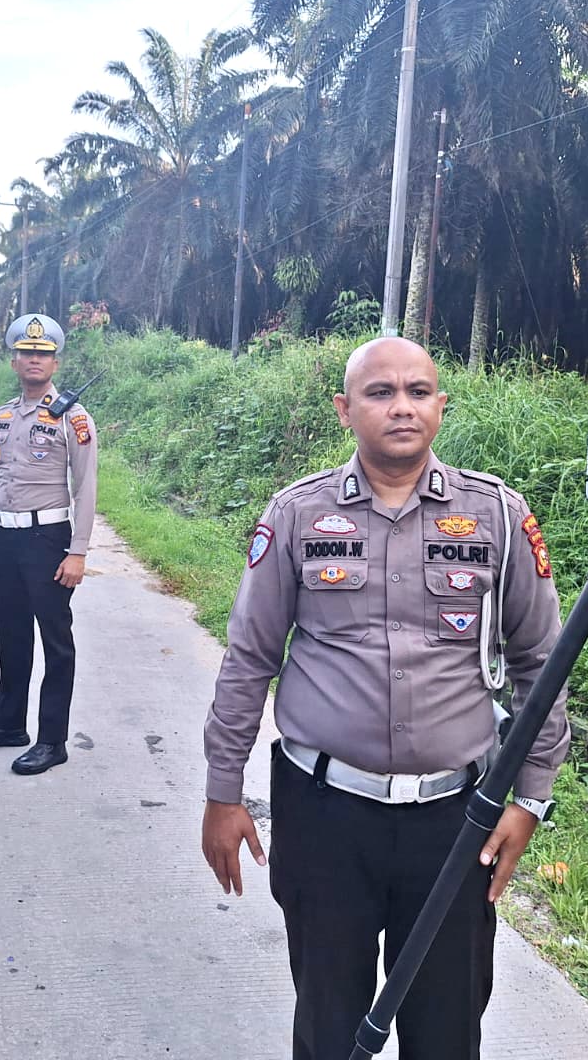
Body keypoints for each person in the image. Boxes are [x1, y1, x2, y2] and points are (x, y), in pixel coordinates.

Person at [201, 337, 569, 1060]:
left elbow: (540, 663)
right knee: (328, 1024)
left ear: (440, 406)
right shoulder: (298, 514)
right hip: (325, 814)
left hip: (456, 822)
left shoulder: (496, 514)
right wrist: (223, 792)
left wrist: (532, 799)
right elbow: (250, 659)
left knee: (447, 1028)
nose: (402, 406)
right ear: (345, 410)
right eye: (379, 393)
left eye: (418, 390)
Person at [0, 313, 97, 776]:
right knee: (11, 634)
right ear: (14, 360)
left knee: (56, 643)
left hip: (47, 540)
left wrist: (77, 551)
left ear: (55, 362)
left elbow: (86, 487)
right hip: (5, 538)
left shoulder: (73, 419)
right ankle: (9, 724)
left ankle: (52, 740)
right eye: (26, 353)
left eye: (43, 354)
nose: (34, 360)